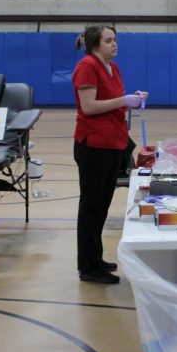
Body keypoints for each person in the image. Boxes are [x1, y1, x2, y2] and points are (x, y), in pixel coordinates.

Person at [72, 25, 148, 284]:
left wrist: (133, 101)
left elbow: (115, 106)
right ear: (95, 44)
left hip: (113, 144)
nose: (115, 44)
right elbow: (89, 106)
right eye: (109, 40)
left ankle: (96, 258)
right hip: (94, 145)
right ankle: (88, 266)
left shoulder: (113, 69)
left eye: (115, 40)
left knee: (101, 207)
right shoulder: (87, 66)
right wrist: (123, 101)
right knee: (91, 206)